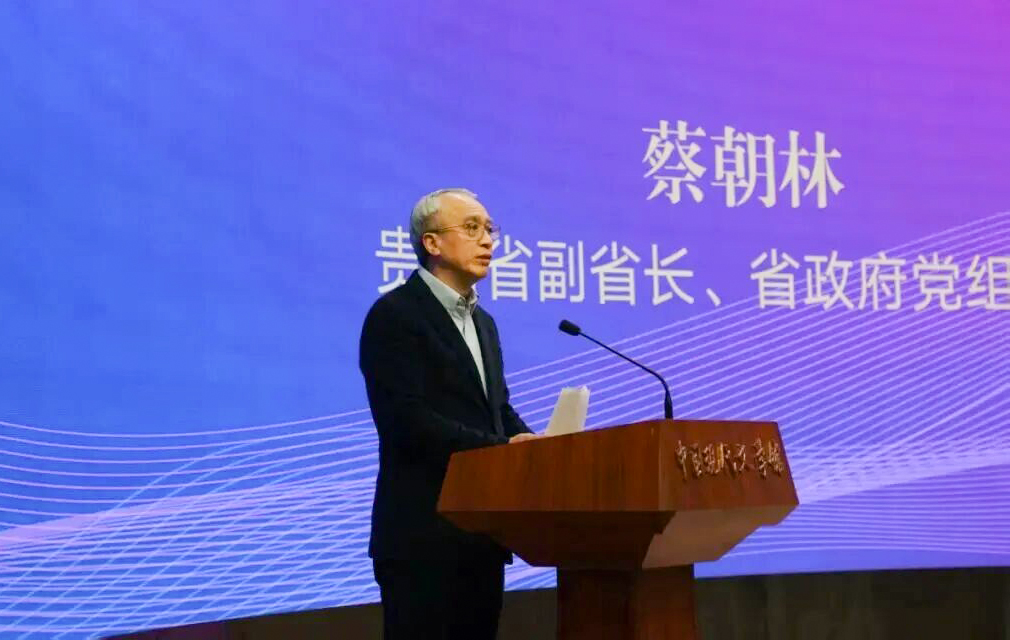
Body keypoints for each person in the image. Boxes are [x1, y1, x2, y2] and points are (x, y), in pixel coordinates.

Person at [359, 188, 538, 640]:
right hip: (423, 538)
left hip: (481, 534)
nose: (488, 240)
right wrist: (503, 447)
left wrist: (538, 446)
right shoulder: (395, 315)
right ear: (432, 243)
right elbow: (406, 422)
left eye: (490, 229)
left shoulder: (484, 323)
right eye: (472, 228)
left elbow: (496, 409)